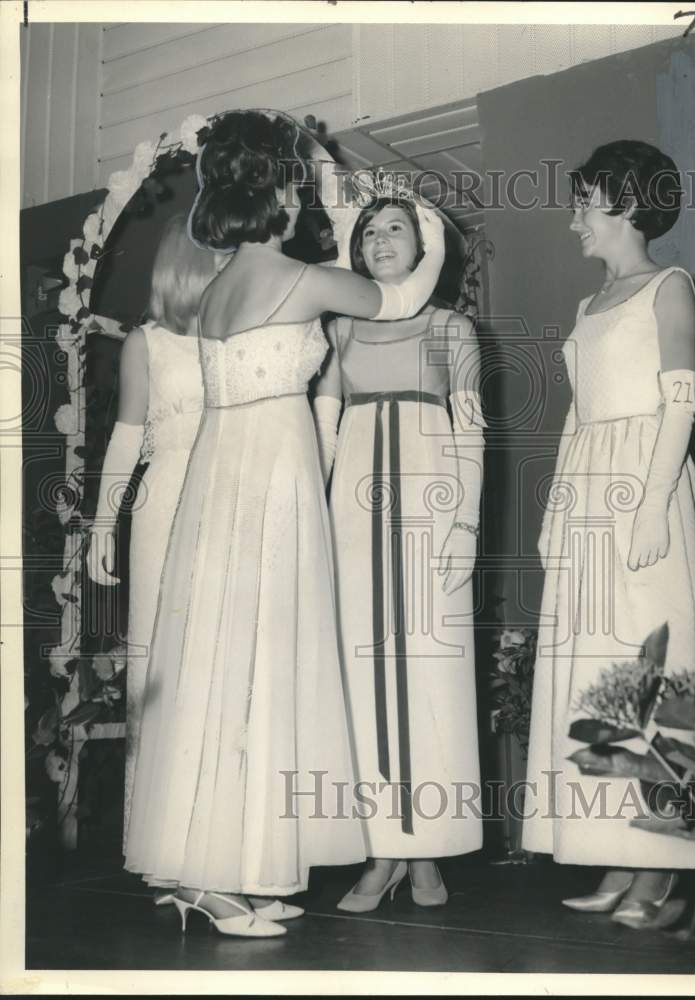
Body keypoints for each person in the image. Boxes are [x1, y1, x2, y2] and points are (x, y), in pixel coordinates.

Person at [122, 111, 446, 938]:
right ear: (283, 187)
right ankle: (221, 880)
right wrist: (410, 222)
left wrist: (325, 186)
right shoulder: (304, 281)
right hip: (269, 476)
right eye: (297, 177)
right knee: (262, 665)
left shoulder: (224, 281)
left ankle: (230, 871)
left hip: (225, 475)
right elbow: (402, 294)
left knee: (225, 670)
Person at [522, 140, 695, 929]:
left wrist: (649, 505)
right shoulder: (587, 305)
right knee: (604, 671)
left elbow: (680, 404)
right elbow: (579, 415)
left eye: (585, 201)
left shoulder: (670, 287)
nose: (574, 217)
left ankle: (665, 866)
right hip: (587, 492)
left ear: (626, 202)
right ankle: (618, 851)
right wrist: (553, 512)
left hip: (648, 483)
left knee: (656, 668)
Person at [313, 189, 485, 912]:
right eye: (371, 231)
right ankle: (381, 851)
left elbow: (472, 430)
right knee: (361, 677)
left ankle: (427, 850)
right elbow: (321, 430)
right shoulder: (341, 330)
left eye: (396, 229)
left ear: (424, 248)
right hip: (351, 510)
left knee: (428, 675)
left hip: (429, 505)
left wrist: (467, 525)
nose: (381, 239)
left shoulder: (452, 327)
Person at [86, 214, 221, 901]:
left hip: (232, 507)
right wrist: (103, 523)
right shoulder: (149, 342)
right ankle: (168, 852)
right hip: (166, 507)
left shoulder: (238, 333)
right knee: (166, 671)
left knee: (222, 675)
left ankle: (226, 855)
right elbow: (124, 438)